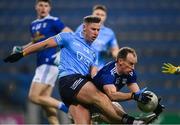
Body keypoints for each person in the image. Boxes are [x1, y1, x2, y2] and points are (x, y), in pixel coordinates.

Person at [4, 15, 154, 124]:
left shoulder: (93, 53)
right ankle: (134, 122)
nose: (96, 33)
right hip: (69, 80)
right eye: (93, 29)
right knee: (100, 98)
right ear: (84, 28)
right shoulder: (68, 37)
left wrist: (104, 84)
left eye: (98, 30)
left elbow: (94, 74)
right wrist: (23, 52)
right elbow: (44, 44)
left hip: (78, 89)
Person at [10, 0, 72, 124]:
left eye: (46, 5)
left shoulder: (53, 21)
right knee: (45, 102)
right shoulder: (33, 24)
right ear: (36, 7)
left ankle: (68, 109)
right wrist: (22, 49)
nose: (43, 8)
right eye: (41, 5)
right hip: (41, 64)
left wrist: (61, 52)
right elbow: (35, 42)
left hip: (49, 62)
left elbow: (70, 34)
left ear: (49, 8)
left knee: (33, 97)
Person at [91, 47, 164, 123]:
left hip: (104, 103)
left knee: (118, 112)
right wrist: (133, 96)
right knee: (117, 109)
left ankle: (134, 122)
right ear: (120, 61)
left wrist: (153, 105)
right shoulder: (108, 73)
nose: (133, 68)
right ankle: (135, 122)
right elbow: (112, 95)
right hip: (90, 105)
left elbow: (138, 94)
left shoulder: (129, 73)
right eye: (131, 64)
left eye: (134, 64)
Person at [76, 4, 119, 70]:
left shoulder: (109, 33)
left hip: (99, 69)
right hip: (82, 67)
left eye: (102, 15)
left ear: (105, 17)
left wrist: (113, 54)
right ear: (93, 15)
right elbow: (74, 43)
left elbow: (115, 49)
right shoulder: (83, 27)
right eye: (97, 14)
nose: (99, 17)